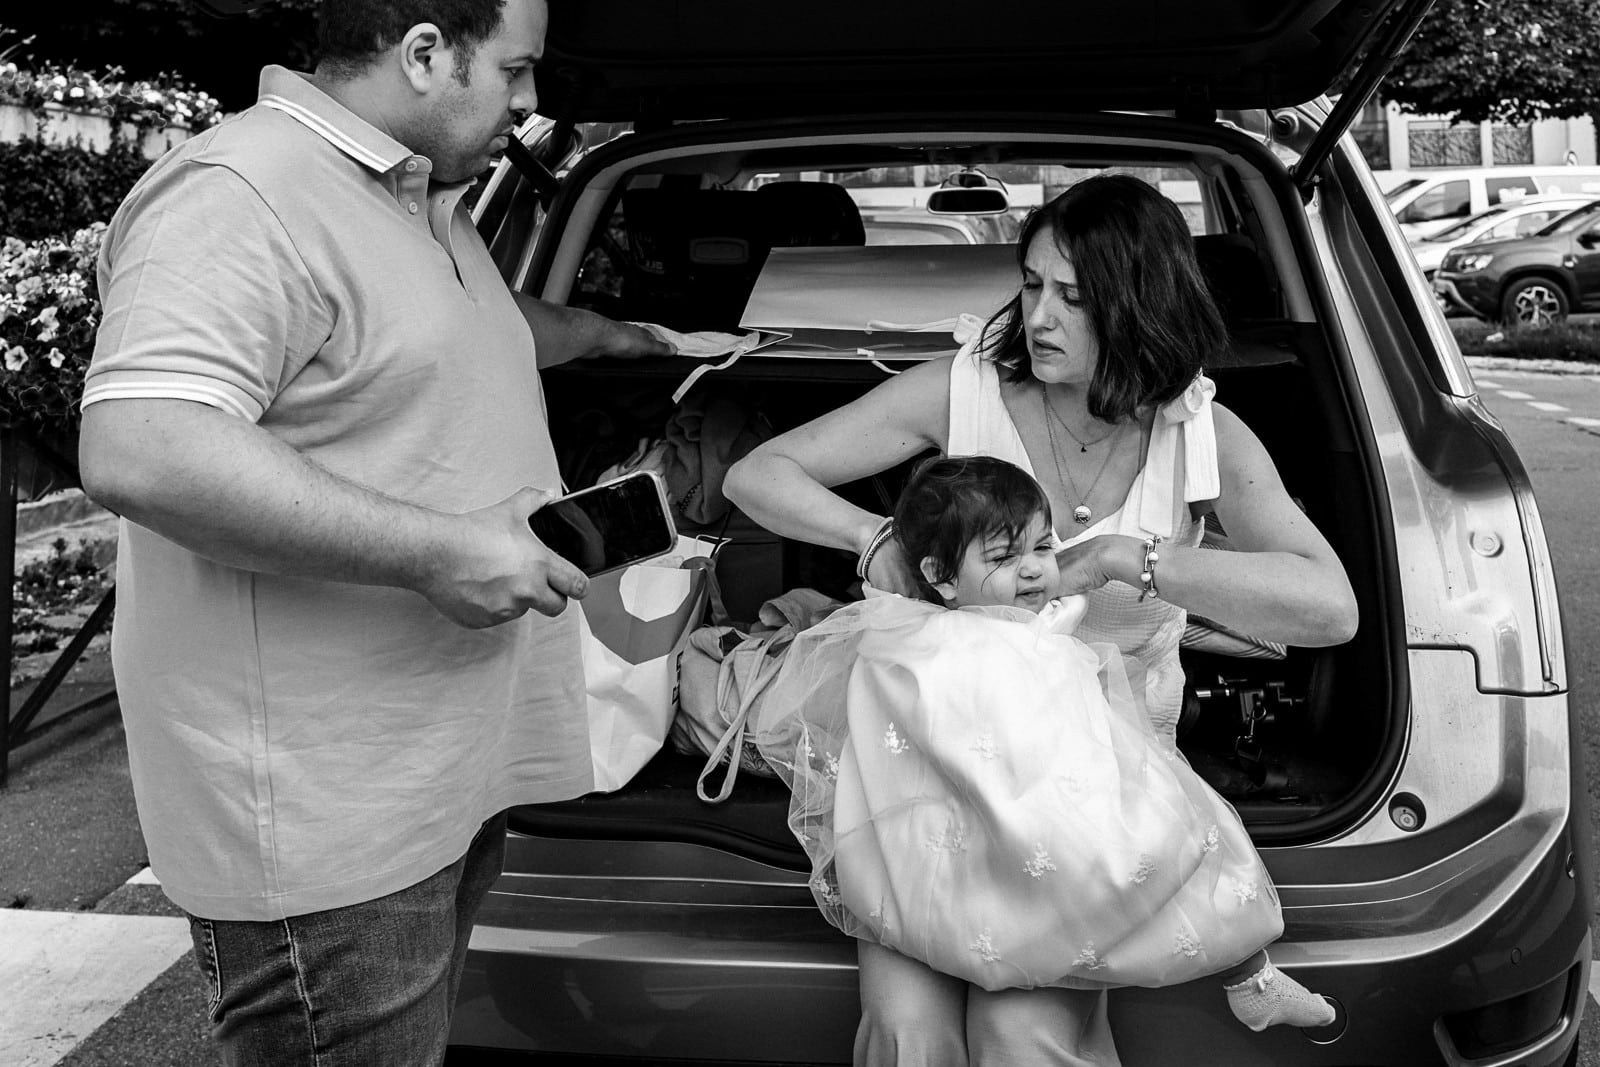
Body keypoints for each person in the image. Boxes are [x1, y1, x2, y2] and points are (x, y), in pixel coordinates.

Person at [77, 0, 668, 1062]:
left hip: (435, 777)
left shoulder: (410, 194)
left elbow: (447, 326)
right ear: (426, 53)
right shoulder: (242, 191)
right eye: (517, 71)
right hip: (327, 829)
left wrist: (623, 335)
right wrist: (442, 548)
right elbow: (144, 443)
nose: (533, 102)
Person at [724, 173, 1358, 1064]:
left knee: (1024, 1038)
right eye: (1030, 284)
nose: (1038, 316)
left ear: (1138, 305)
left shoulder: (1202, 433)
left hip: (1096, 798)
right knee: (910, 1031)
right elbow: (756, 475)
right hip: (930, 776)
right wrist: (878, 542)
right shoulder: (965, 390)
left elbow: (1329, 607)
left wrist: (1129, 559)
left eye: (1073, 295)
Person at [755, 457, 1334, 1055]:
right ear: (941, 576)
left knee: (1179, 828)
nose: (1033, 568)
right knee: (1163, 844)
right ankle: (1247, 972)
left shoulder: (1045, 628)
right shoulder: (918, 647)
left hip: (1044, 813)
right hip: (964, 839)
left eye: (1043, 545)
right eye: (1004, 558)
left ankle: (1248, 972)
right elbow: (940, 754)